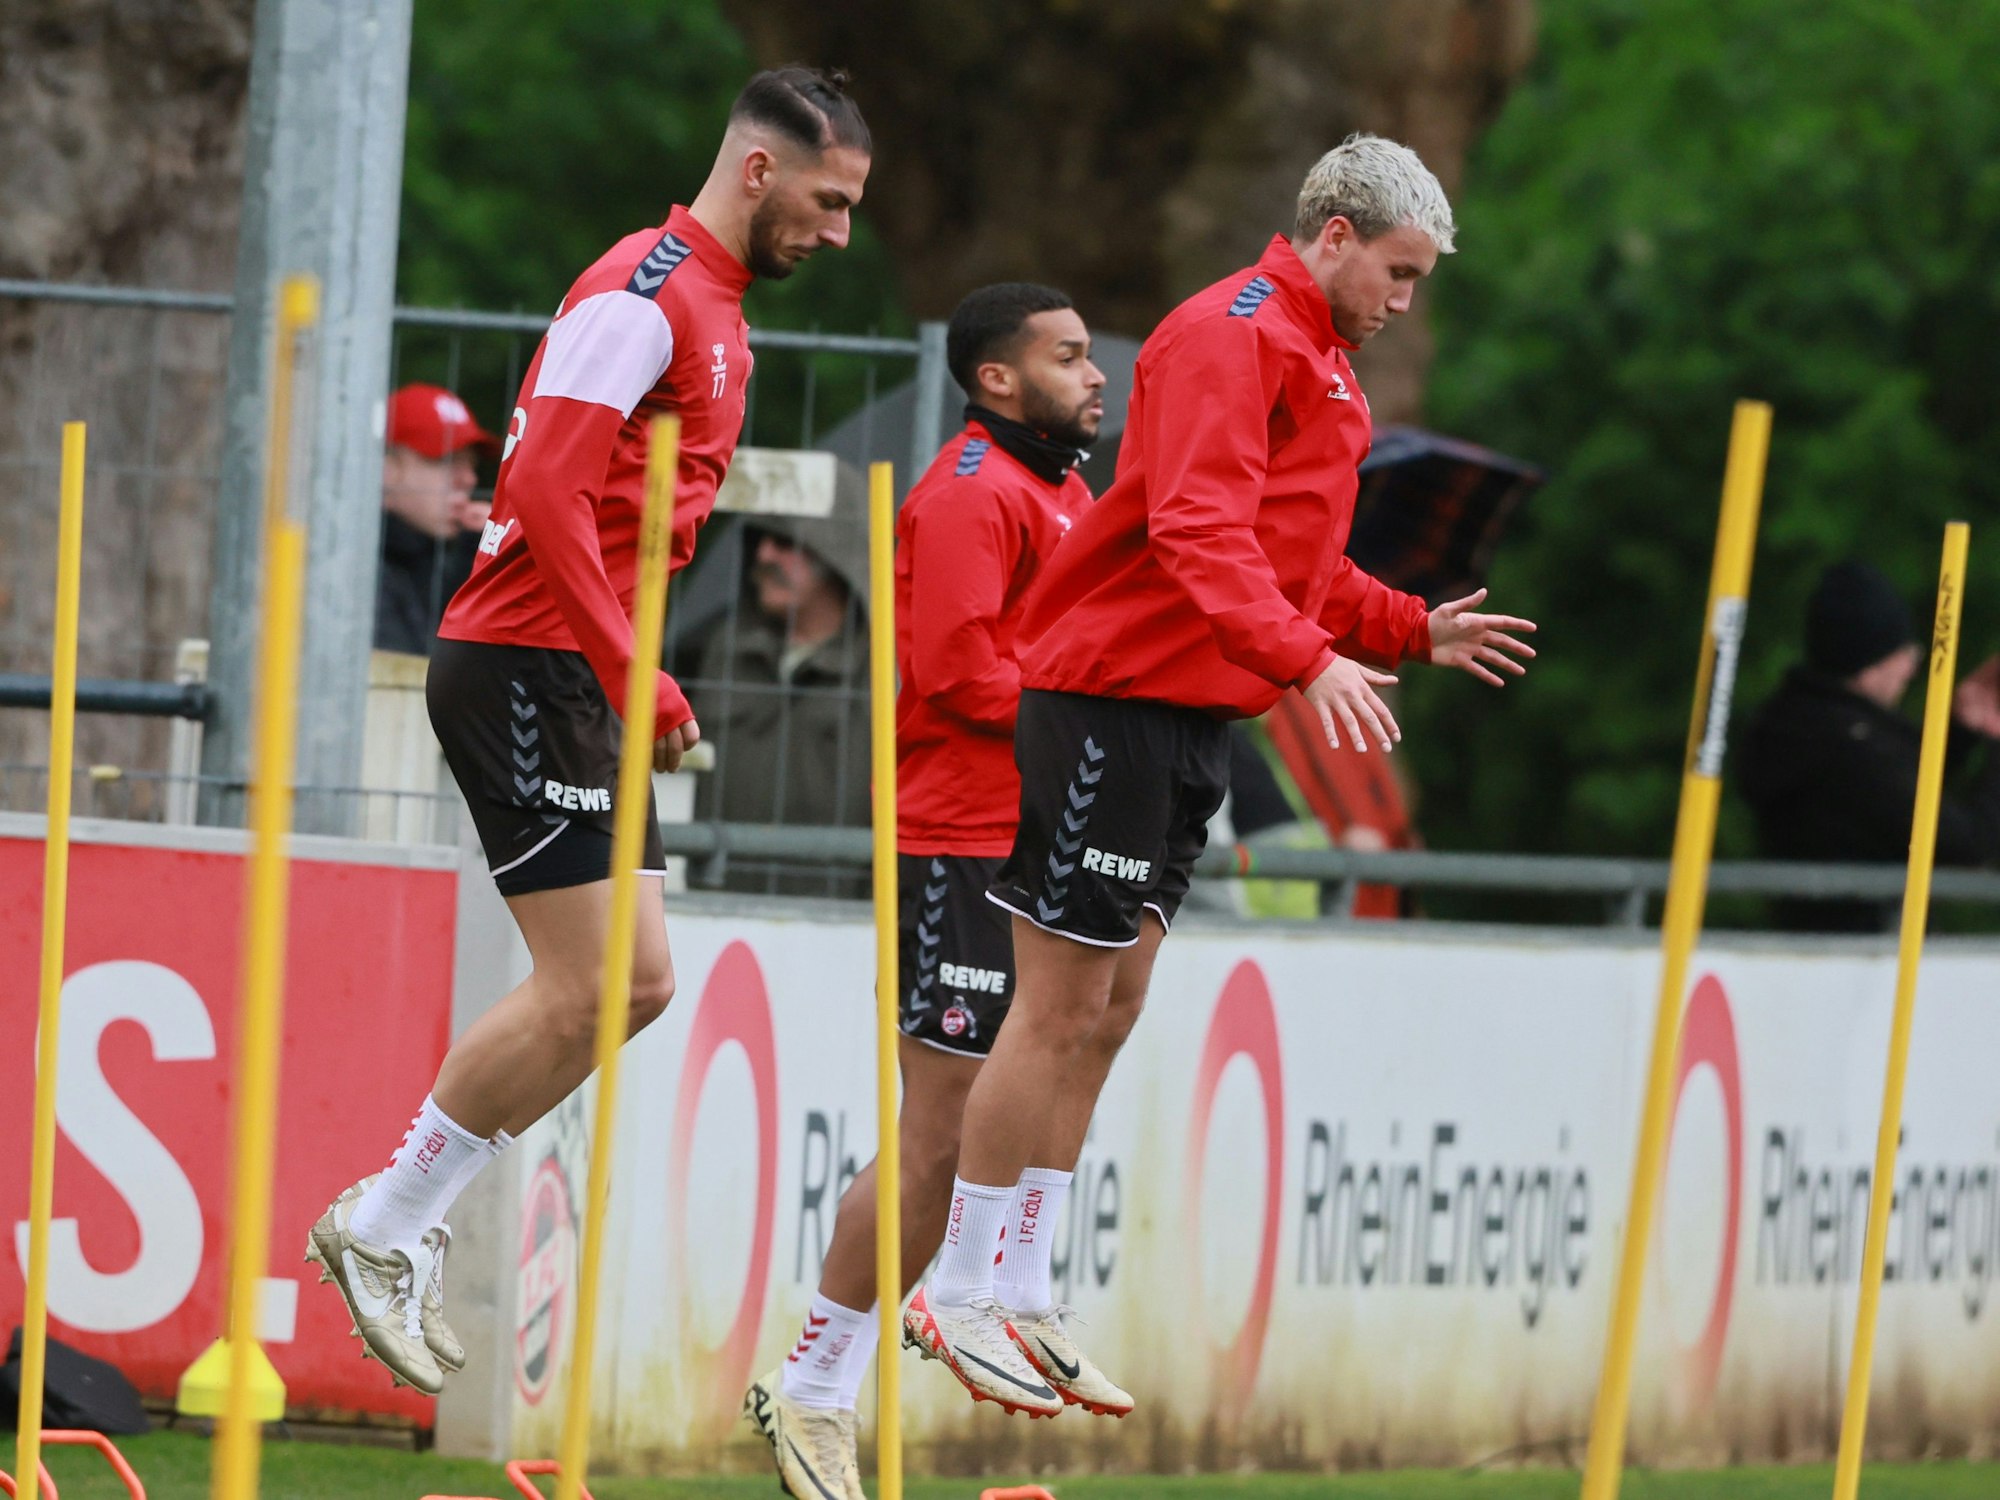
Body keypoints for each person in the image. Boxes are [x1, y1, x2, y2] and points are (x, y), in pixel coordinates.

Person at [900, 134, 1538, 1410]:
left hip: (1191, 714)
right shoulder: (1229, 334)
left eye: (1420, 282)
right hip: (1109, 700)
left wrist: (1413, 626)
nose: (1402, 301)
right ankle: (955, 1287)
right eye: (1396, 273)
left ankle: (1020, 1287)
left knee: (1112, 1007)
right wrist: (1307, 664)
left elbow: (1295, 564)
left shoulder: (1327, 369)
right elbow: (1197, 530)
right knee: (1057, 1003)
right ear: (1334, 233)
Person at [304, 66, 871, 1396]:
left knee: (636, 984)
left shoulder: (716, 307)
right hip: (525, 665)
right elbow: (543, 488)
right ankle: (385, 1223)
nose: (840, 232)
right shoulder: (645, 291)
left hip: (572, 669)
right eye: (829, 201)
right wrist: (630, 669)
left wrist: (624, 666)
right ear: (756, 173)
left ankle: (393, 1222)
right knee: (598, 983)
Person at [743, 283, 1104, 1498]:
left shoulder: (1063, 489)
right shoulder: (966, 492)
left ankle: (979, 1306)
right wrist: (1090, 715)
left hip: (1035, 832)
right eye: (1067, 356)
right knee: (941, 1135)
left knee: (1009, 1108)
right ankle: (810, 1390)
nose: (1094, 375)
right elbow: (956, 673)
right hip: (958, 837)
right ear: (996, 379)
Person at [1739, 559, 2000, 932]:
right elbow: (1968, 844)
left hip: (1820, 951)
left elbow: (1899, 782)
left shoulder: (1804, 726)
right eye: (1902, 651)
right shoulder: (1850, 750)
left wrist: (1961, 731)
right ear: (1869, 661)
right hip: (1868, 963)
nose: (1911, 666)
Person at [690, 482, 873, 897]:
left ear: (838, 557)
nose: (764, 555)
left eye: (786, 542)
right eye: (760, 540)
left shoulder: (881, 668)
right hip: (717, 905)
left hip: (840, 916)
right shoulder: (729, 649)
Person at [374, 383, 497, 655]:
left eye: (471, 464)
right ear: (386, 470)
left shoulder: (435, 560)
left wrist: (478, 557)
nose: (469, 479)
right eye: (446, 460)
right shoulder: (353, 569)